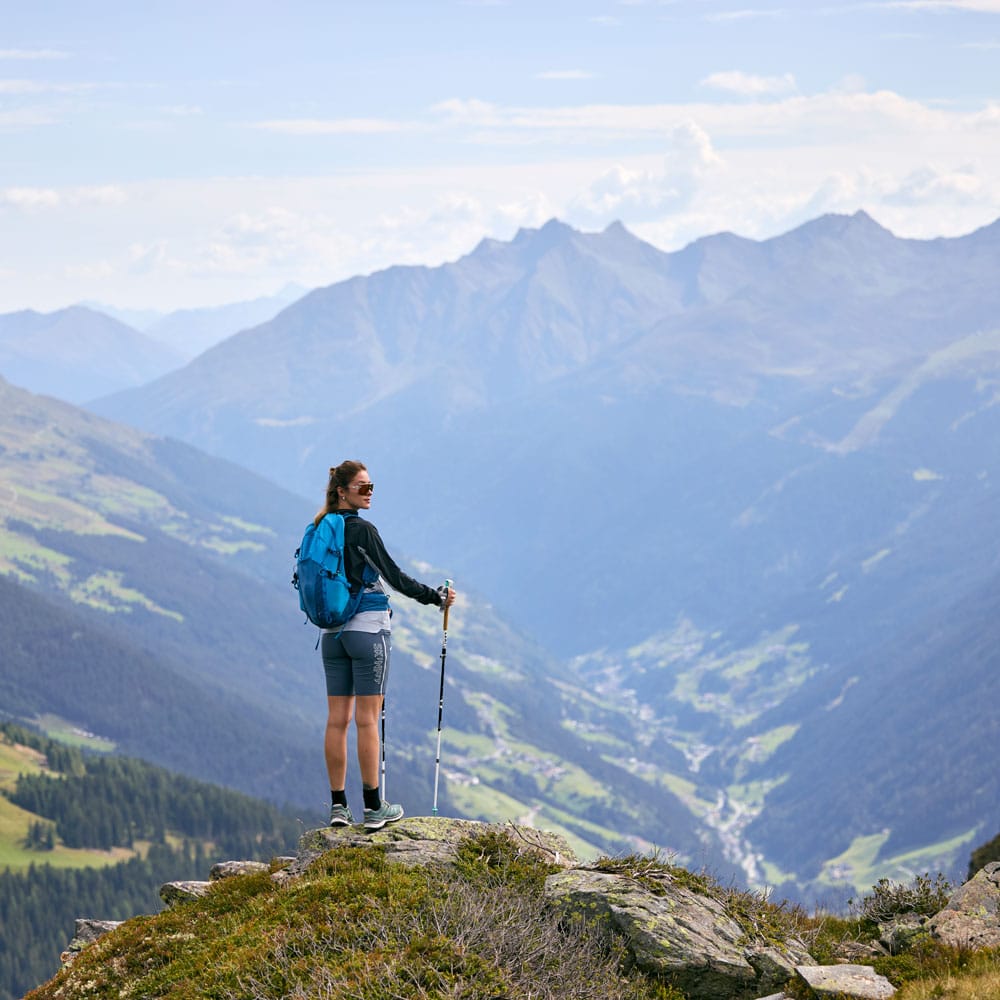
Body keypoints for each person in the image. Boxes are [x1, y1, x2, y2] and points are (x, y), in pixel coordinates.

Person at [316, 460, 456, 831]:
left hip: (331, 635)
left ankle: (337, 807)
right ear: (342, 491)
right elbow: (394, 576)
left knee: (336, 720)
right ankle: (374, 807)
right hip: (367, 631)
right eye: (362, 487)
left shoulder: (319, 528)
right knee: (366, 720)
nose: (369, 492)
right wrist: (436, 597)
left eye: (371, 486)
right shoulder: (361, 531)